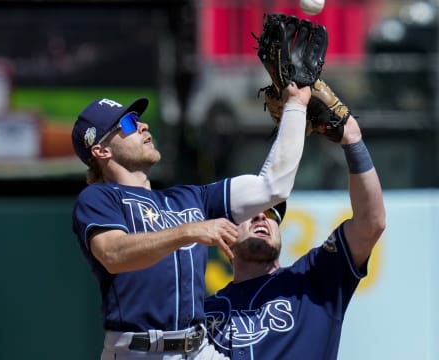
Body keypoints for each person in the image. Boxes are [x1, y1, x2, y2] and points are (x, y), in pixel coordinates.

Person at [70, 82, 311, 360]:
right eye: (127, 123)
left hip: (198, 349)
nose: (143, 126)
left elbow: (272, 188)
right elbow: (113, 254)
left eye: (139, 120)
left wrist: (296, 105)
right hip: (139, 351)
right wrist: (187, 232)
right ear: (101, 151)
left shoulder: (189, 197)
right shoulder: (99, 198)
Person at [204, 109, 386, 359]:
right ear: (222, 235)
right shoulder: (204, 314)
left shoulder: (312, 280)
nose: (261, 216)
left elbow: (371, 223)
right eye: (248, 212)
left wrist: (353, 141)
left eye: (271, 214)